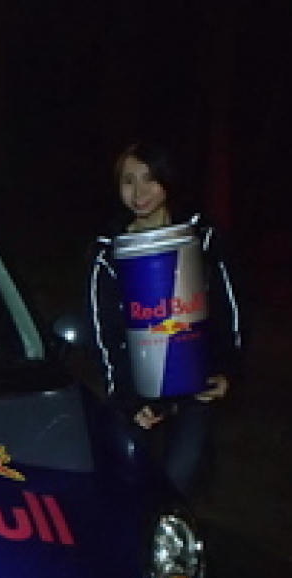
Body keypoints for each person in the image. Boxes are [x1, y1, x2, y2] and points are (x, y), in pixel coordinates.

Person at [86, 139, 243, 500]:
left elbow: (230, 306)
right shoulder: (108, 251)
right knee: (130, 494)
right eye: (128, 181)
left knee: (177, 492)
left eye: (149, 179)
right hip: (138, 396)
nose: (138, 192)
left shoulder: (200, 237)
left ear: (168, 179)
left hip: (195, 390)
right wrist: (127, 399)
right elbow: (102, 330)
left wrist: (228, 370)